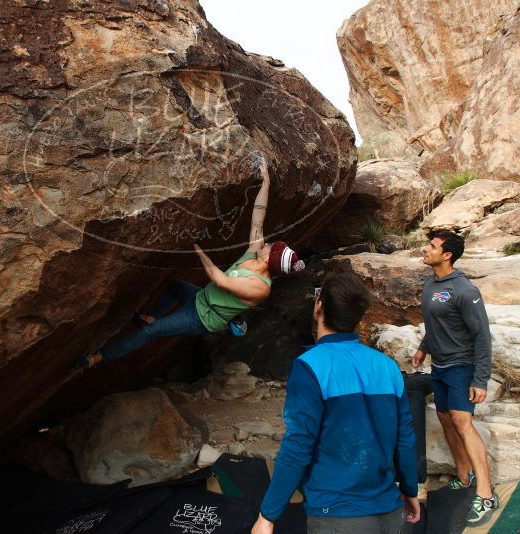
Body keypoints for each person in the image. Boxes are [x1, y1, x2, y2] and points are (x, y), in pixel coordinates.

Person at [73, 155, 304, 369]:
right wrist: (266, 182)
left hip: (203, 317)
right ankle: (153, 315)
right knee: (174, 286)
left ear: (269, 258)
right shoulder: (255, 252)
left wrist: (198, 250)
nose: (268, 243)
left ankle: (98, 357)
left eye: (271, 246)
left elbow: (220, 280)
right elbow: (258, 217)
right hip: (200, 297)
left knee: (150, 332)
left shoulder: (260, 288)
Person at [251, 272, 420, 534]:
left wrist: (267, 516)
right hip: (390, 512)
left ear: (318, 307)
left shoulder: (310, 367)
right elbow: (405, 439)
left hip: (338, 515)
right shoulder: (387, 366)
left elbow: (298, 445)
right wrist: (410, 490)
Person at [411, 230, 498, 526]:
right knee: (446, 419)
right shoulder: (430, 284)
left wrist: (480, 379)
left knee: (462, 422)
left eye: (432, 246)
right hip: (440, 366)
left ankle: (486, 494)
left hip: (462, 365)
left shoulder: (465, 290)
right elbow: (435, 323)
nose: (425, 249)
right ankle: (463, 475)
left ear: (447, 255)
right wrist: (423, 347)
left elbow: (482, 336)